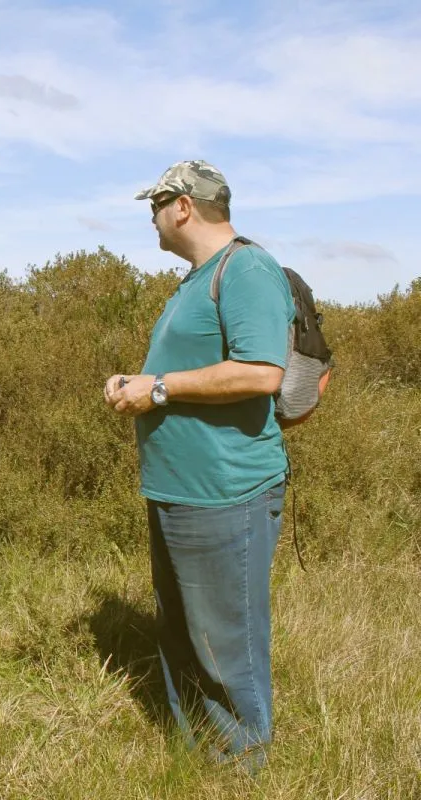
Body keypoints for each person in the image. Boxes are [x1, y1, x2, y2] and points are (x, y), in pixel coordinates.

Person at [104, 161, 295, 769]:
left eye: (155, 204)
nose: (151, 217)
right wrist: (140, 382)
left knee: (225, 644)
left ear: (182, 206)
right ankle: (199, 762)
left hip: (226, 493)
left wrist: (157, 389)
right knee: (186, 637)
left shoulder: (247, 269)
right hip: (179, 489)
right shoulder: (196, 278)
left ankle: (244, 767)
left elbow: (263, 373)